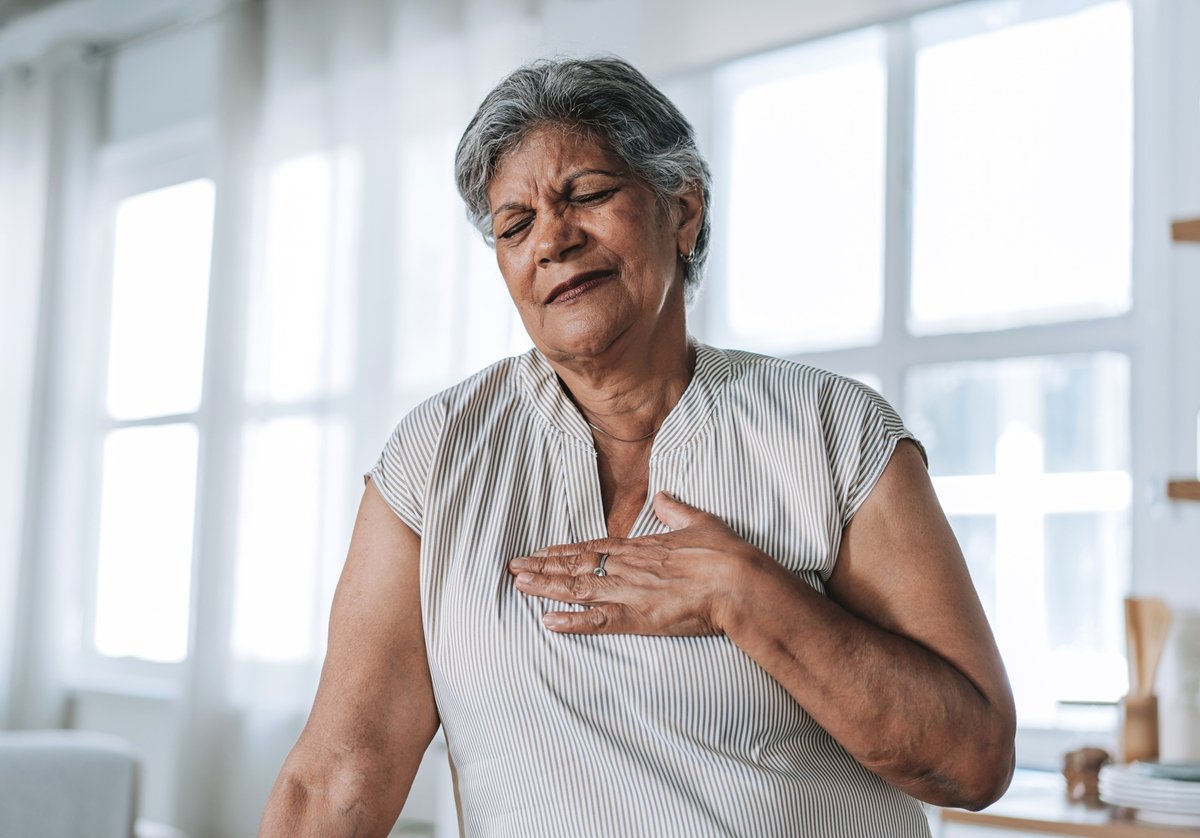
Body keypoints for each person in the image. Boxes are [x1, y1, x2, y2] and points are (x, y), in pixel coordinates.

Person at [260, 56, 1015, 838]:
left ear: (682, 209)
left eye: (586, 194)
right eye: (514, 226)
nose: (550, 239)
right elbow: (339, 778)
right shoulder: (434, 459)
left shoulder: (836, 432)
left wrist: (744, 594)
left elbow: (973, 759)